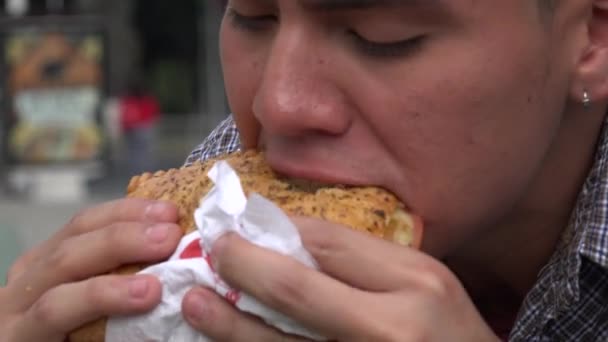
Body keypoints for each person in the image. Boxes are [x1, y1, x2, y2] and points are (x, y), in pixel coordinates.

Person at [2, 0, 608, 340]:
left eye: (382, 36)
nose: (277, 105)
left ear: (591, 38)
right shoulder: (220, 196)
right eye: (251, 16)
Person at [120, 79, 161, 175]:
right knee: (144, 152)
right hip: (145, 127)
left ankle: (138, 171)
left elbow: (125, 115)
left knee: (135, 152)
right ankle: (145, 171)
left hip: (135, 127)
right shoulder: (147, 99)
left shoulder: (129, 100)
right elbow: (154, 112)